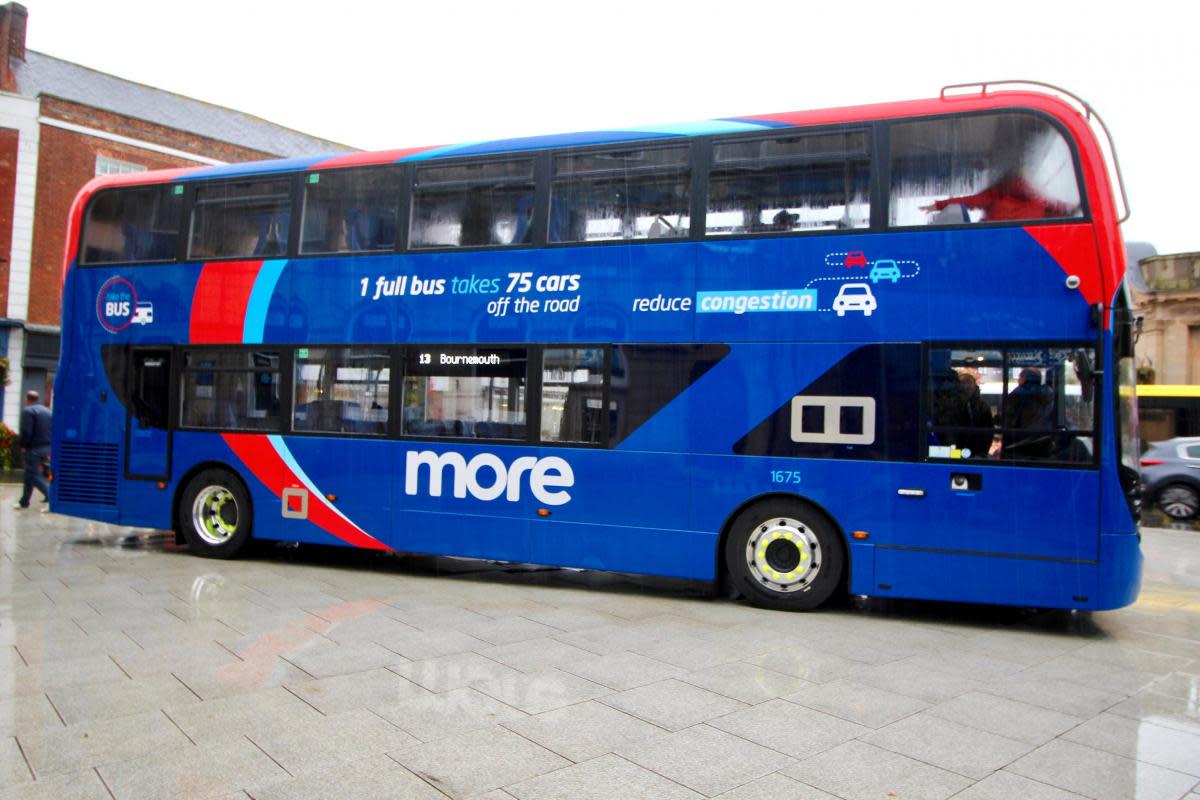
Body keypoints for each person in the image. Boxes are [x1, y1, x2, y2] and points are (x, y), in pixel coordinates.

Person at [14, 390, 52, 511]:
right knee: (28, 475)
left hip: (33, 448)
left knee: (33, 475)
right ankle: (24, 501)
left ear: (27, 399)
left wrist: (23, 446)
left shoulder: (28, 411)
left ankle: (51, 496)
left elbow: (26, 432)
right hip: (46, 447)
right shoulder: (47, 411)